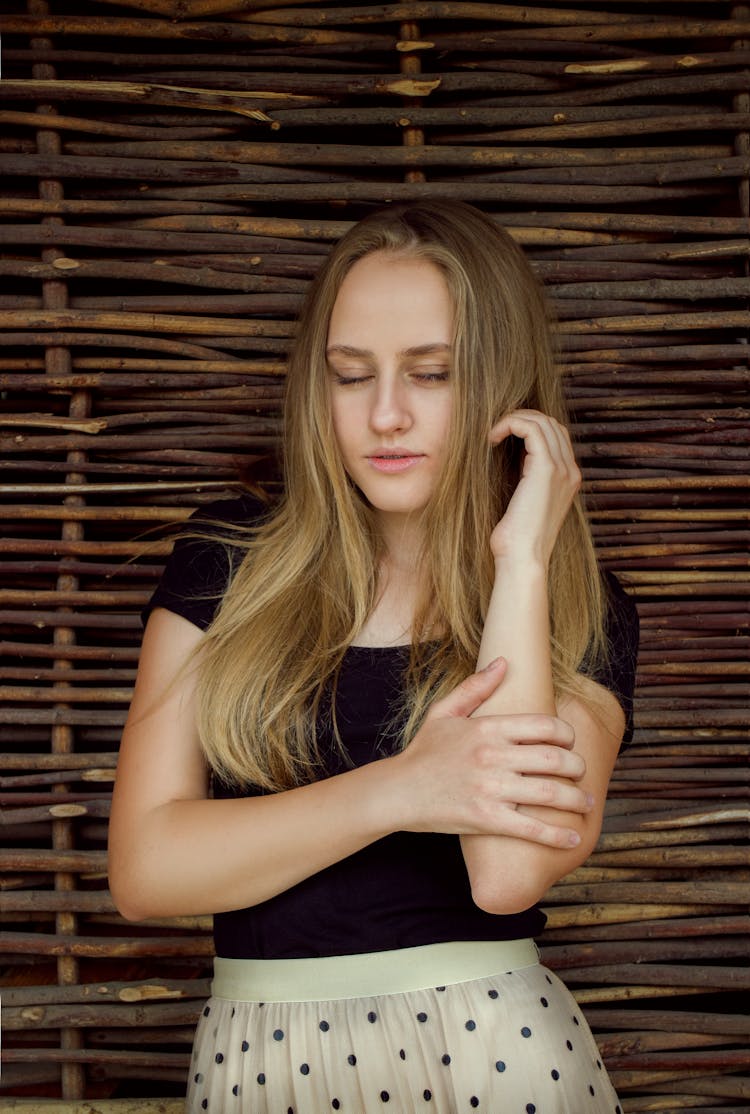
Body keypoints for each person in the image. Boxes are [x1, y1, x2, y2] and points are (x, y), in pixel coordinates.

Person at [109, 200, 638, 1114]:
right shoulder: (226, 562)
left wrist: (521, 564)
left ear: (505, 383)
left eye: (431, 374)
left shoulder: (578, 608)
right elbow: (146, 870)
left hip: (493, 1059)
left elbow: (507, 876)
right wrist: (406, 788)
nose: (386, 415)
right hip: (260, 1061)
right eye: (351, 376)